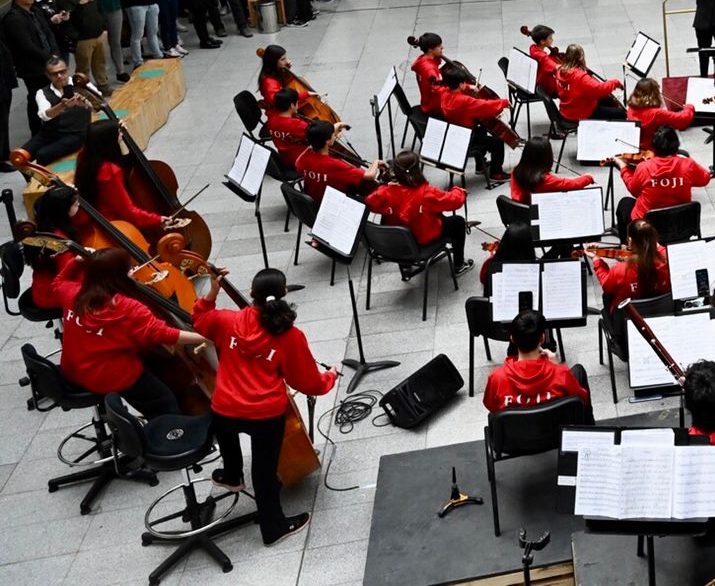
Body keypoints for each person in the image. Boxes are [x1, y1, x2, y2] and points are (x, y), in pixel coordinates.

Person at [193, 267, 336, 546]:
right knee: (264, 472)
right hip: (265, 414)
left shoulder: (227, 321)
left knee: (226, 435)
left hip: (224, 407)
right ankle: (273, 527)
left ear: (251, 294)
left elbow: (198, 318)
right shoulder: (290, 335)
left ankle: (231, 475)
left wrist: (212, 290)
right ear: (284, 293)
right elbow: (308, 383)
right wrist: (330, 376)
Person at [57, 247, 208, 419]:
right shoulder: (127, 307)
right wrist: (206, 337)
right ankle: (170, 430)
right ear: (119, 276)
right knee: (163, 401)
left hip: (73, 369)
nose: (131, 272)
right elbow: (161, 333)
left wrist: (75, 262)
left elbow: (59, 282)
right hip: (108, 376)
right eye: (128, 269)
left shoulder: (72, 293)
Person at [365, 150, 473, 275]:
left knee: (399, 218)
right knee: (457, 221)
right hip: (421, 240)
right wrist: (459, 191)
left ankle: (405, 265)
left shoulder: (386, 192)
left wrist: (384, 187)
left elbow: (369, 202)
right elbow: (455, 202)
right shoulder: (425, 192)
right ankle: (459, 265)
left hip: (397, 244)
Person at [481, 309, 592, 413]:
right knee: (578, 370)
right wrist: (556, 367)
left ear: (512, 339)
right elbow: (583, 401)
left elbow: (491, 406)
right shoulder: (562, 375)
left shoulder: (496, 378)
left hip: (514, 428)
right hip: (554, 427)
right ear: (542, 338)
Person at [3, 0, 68, 134]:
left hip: (50, 61)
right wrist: (50, 59)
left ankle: (57, 125)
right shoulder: (13, 18)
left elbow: (49, 33)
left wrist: (55, 55)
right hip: (33, 67)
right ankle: (38, 131)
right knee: (37, 97)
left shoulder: (36, 11)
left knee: (54, 94)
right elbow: (26, 46)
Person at [616, 126, 711, 226]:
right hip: (680, 224)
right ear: (676, 144)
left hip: (648, 227)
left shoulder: (643, 167)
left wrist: (624, 168)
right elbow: (705, 179)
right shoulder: (687, 164)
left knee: (624, 204)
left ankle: (629, 236)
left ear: (653, 147)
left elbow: (634, 191)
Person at [20, 56, 93, 165]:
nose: (59, 76)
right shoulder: (42, 92)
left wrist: (85, 103)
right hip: (50, 132)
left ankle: (47, 176)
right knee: (19, 156)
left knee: (43, 154)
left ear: (67, 70)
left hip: (77, 132)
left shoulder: (82, 84)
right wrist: (61, 106)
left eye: (62, 72)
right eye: (54, 74)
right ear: (47, 75)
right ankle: (33, 175)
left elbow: (98, 104)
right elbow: (44, 115)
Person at [587, 218, 669, 309]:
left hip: (631, 314)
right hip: (663, 308)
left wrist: (596, 259)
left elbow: (607, 286)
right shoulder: (669, 258)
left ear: (630, 241)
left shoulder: (620, 270)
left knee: (607, 296)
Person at [294, 119, 381, 203]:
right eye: (333, 135)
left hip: (312, 201)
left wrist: (314, 142)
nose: (335, 136)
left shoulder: (305, 157)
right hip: (331, 203)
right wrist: (376, 163)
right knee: (368, 200)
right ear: (327, 141)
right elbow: (370, 175)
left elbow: (297, 163)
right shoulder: (334, 164)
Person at [507, 135, 594, 203]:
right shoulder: (544, 180)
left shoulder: (516, 171)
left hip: (519, 212)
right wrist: (588, 177)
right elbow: (572, 185)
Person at [554, 45, 624, 121]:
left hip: (566, 111)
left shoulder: (559, 71)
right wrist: (615, 83)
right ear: (581, 58)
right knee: (621, 113)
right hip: (581, 114)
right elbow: (599, 89)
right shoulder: (580, 77)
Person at [624, 76, 695, 149]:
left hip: (636, 145)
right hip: (654, 147)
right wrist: (689, 107)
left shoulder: (631, 107)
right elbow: (683, 119)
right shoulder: (656, 113)